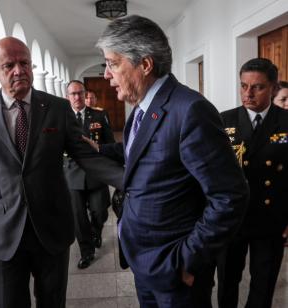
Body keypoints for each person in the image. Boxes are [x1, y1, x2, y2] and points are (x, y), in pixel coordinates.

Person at [92, 15, 249, 307]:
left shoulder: (190, 110)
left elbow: (230, 196)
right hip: (144, 261)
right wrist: (98, 150)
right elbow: (141, 155)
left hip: (174, 269)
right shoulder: (140, 109)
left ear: (145, 64)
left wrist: (187, 260)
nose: (106, 75)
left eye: (113, 64)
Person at [0, 36, 124, 308]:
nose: (18, 70)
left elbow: (84, 155)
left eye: (24, 63)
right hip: (4, 234)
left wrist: (130, 181)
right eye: (9, 65)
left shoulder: (57, 108)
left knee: (53, 301)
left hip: (51, 228)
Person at [217, 58, 288, 308]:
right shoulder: (223, 121)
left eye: (257, 87)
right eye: (243, 86)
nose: (248, 94)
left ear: (273, 88)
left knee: (263, 284)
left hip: (271, 217)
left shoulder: (286, 121)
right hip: (232, 218)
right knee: (227, 280)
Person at [63, 80, 115, 269]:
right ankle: (87, 252)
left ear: (85, 94)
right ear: (67, 97)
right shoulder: (62, 118)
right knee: (78, 217)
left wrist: (113, 172)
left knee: (100, 212)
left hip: (96, 173)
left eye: (80, 93)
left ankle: (97, 230)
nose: (77, 97)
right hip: (71, 175)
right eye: (73, 94)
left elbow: (109, 144)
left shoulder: (99, 116)